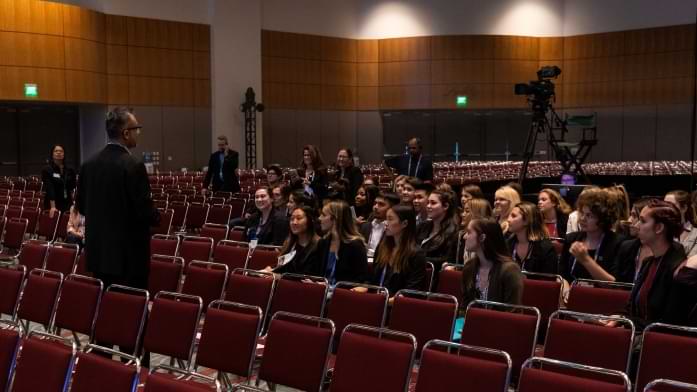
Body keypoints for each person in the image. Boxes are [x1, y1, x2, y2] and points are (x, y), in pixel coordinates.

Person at [76, 107, 159, 289]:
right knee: (130, 310)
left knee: (106, 308)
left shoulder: (88, 164)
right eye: (137, 129)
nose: (138, 133)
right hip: (128, 257)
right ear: (126, 133)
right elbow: (144, 211)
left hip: (99, 254)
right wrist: (157, 216)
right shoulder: (133, 165)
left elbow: (81, 207)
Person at [622, 199, 690, 330]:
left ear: (659, 228)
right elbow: (631, 306)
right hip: (640, 336)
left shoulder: (678, 269)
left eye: (642, 221)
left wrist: (627, 322)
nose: (636, 225)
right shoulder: (649, 262)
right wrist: (618, 317)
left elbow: (668, 324)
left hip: (661, 345)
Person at [354, 205, 426, 299]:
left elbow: (412, 291)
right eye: (386, 219)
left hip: (397, 306)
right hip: (375, 299)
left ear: (404, 223)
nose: (386, 223)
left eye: (390, 219)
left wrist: (389, 301)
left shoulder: (416, 254)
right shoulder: (382, 247)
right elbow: (371, 278)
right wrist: (365, 287)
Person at [559, 188, 623, 283]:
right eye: (581, 213)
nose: (582, 218)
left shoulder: (618, 243)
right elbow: (562, 276)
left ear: (603, 218)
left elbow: (614, 285)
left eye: (589, 215)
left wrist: (585, 260)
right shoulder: (571, 239)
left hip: (601, 296)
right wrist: (566, 290)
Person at [460, 218, 524, 306]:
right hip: (473, 319)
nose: (464, 236)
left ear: (482, 237)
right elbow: (465, 306)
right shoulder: (469, 267)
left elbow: (512, 311)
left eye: (469, 232)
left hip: (501, 319)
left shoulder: (509, 270)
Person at [315, 200, 368, 285]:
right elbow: (317, 273)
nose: (319, 218)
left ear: (335, 219)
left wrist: (332, 288)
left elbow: (361, 280)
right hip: (322, 292)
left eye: (324, 215)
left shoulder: (355, 245)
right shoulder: (323, 243)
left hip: (343, 294)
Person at [265, 206, 321, 276]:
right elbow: (283, 265)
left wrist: (281, 277)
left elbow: (308, 274)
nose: (294, 222)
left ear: (310, 221)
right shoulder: (289, 242)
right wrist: (271, 268)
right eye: (292, 219)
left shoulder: (319, 245)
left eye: (299, 218)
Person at [506, 202, 558, 274]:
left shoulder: (545, 248)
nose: (508, 220)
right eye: (509, 216)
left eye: (513, 216)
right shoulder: (507, 244)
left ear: (527, 221)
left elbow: (548, 281)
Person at [416, 189, 459, 271]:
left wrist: (416, 258)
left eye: (433, 203)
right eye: (428, 202)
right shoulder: (422, 226)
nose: (428, 206)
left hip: (434, 276)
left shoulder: (454, 233)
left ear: (445, 206)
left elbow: (445, 261)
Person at [615, 198, 653, 283]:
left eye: (634, 216)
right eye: (630, 215)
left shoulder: (664, 250)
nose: (629, 220)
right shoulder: (626, 247)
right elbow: (617, 284)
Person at [359, 192, 401, 257]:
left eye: (381, 204)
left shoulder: (394, 230)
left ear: (392, 208)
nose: (375, 207)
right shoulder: (365, 226)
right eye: (375, 203)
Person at [41, 144, 77, 217]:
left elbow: (72, 186)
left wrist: (73, 204)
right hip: (53, 202)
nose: (58, 152)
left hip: (67, 201)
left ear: (64, 154)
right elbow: (50, 188)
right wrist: (53, 207)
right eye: (56, 151)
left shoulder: (70, 170)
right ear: (52, 154)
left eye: (61, 151)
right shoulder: (47, 170)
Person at [456, 198, 492, 264]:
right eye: (463, 211)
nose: (462, 214)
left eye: (467, 211)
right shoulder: (461, 234)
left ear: (478, 214)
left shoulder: (487, 240)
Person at [665, 190, 697, 257]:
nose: (665, 208)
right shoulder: (661, 230)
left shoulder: (695, 233)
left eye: (670, 205)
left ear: (684, 208)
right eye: (663, 204)